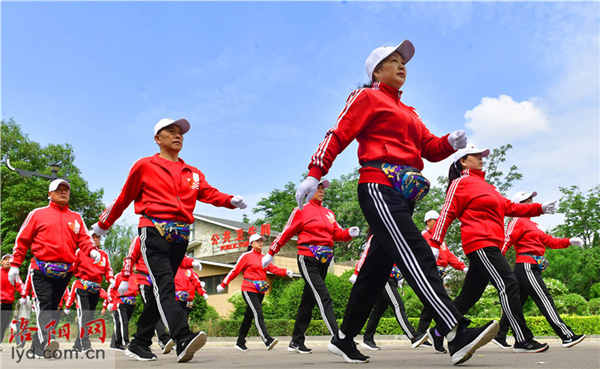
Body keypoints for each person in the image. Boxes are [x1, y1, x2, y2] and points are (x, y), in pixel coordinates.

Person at [295, 40, 497, 365]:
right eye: (394, 60)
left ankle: (344, 338)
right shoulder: (367, 97)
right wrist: (314, 172)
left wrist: (449, 143)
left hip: (404, 195)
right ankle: (453, 330)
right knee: (416, 251)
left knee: (376, 269)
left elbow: (429, 148)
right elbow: (339, 133)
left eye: (404, 61)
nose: (402, 65)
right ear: (376, 71)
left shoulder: (409, 111)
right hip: (378, 186)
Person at [92, 118, 247, 362]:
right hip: (153, 231)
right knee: (166, 285)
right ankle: (182, 337)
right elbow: (124, 197)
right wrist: (102, 226)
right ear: (157, 138)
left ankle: (139, 342)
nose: (178, 136)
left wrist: (229, 201)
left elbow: (208, 192)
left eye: (181, 133)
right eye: (171, 132)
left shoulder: (192, 173)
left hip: (181, 237)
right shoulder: (144, 165)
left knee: (159, 292)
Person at [430, 144, 557, 354]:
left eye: (482, 155)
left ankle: (439, 330)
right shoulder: (460, 183)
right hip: (480, 243)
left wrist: (539, 208)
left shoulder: (489, 187)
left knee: (470, 295)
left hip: (491, 246)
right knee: (509, 284)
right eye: (476, 155)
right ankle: (522, 339)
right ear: (463, 161)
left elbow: (511, 208)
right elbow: (446, 213)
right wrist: (435, 244)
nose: (481, 158)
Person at [264, 180, 360, 355]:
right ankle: (339, 339)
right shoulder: (301, 210)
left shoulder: (329, 213)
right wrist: (271, 253)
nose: (322, 191)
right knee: (323, 295)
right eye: (318, 188)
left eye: (323, 188)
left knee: (308, 300)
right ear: (308, 191)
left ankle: (296, 341)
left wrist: (348, 233)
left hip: (324, 260)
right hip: (307, 258)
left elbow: (336, 233)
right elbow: (286, 232)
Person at [10, 178, 101, 359]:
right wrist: (14, 264)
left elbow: (84, 238)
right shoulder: (37, 214)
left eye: (66, 189)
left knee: (54, 308)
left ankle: (37, 348)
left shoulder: (76, 218)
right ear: (49, 194)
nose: (63, 192)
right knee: (44, 304)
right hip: (41, 269)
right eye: (58, 189)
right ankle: (47, 340)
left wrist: (91, 250)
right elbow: (22, 240)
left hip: (65, 271)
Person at [492, 191, 586, 349]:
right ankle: (566, 335)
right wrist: (496, 264)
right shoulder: (518, 220)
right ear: (519, 205)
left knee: (517, 303)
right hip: (526, 266)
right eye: (527, 200)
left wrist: (569, 241)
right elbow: (505, 241)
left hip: (532, 266)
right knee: (544, 300)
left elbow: (549, 240)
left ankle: (500, 334)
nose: (531, 203)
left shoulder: (532, 224)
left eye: (531, 200)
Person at [349, 231, 431, 351]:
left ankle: (368, 339)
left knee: (378, 310)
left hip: (392, 278)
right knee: (398, 305)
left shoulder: (393, 238)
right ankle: (413, 336)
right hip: (383, 277)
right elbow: (365, 256)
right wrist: (356, 273)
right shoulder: (376, 236)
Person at [121, 235, 200, 354]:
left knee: (158, 308)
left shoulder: (165, 237)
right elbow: (129, 257)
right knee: (153, 308)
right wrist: (125, 277)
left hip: (160, 280)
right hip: (145, 279)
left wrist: (191, 262)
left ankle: (142, 342)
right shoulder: (141, 238)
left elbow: (177, 258)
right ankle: (165, 338)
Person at [218, 234, 292, 351]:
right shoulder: (246, 256)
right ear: (251, 243)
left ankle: (240, 342)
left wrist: (285, 271)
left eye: (261, 241)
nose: (260, 242)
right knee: (258, 313)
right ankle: (267, 339)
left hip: (260, 291)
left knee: (249, 316)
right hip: (248, 289)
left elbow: (273, 269)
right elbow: (235, 271)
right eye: (257, 241)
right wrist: (223, 284)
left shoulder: (264, 258)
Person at [418, 210, 468, 354]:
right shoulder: (424, 236)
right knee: (438, 301)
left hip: (440, 273)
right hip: (430, 271)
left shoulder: (440, 238)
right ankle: (436, 333)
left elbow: (448, 256)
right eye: (436, 220)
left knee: (432, 303)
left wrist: (462, 267)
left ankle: (425, 333)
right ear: (428, 221)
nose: (439, 222)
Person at [65, 231, 115, 353]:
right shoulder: (80, 252)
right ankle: (85, 345)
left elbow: (108, 269)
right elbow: (72, 268)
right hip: (82, 287)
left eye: (97, 237)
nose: (95, 239)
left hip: (96, 289)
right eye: (92, 237)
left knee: (89, 317)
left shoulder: (103, 255)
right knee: (85, 314)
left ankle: (77, 345)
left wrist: (111, 280)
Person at [108, 271, 138, 352]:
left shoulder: (136, 276)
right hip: (121, 301)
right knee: (122, 322)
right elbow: (112, 288)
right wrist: (110, 302)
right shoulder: (119, 275)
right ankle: (125, 341)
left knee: (124, 323)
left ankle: (115, 343)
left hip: (131, 302)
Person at [1, 254, 24, 351]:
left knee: (3, 324)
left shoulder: (14, 274)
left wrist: (24, 296)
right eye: (5, 260)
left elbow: (20, 285)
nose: (7, 261)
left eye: (9, 260)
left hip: (8, 303)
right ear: (1, 262)